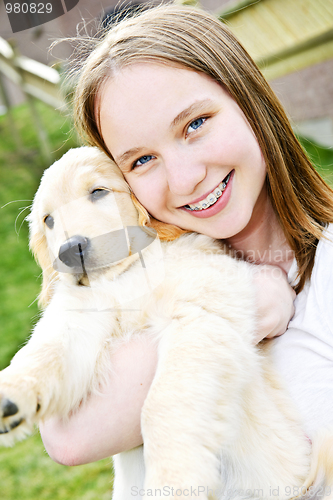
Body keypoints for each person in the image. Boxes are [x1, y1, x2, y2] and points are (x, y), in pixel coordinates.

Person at [40, 4, 333, 466]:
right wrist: (241, 305)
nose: (184, 180)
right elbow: (67, 435)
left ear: (249, 98)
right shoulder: (137, 285)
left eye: (195, 125)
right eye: (141, 160)